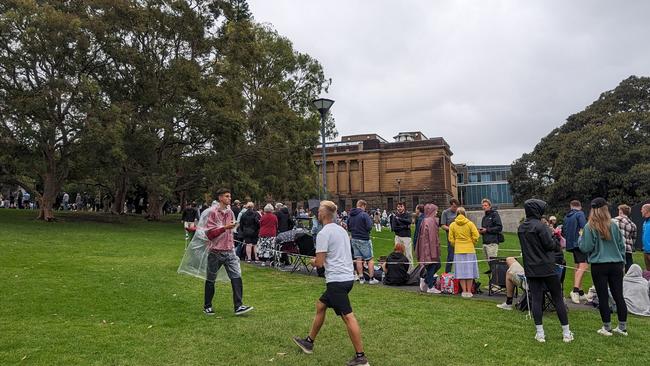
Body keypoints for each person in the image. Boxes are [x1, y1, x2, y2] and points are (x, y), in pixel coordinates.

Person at [293, 200, 369, 366]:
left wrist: (313, 261)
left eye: (318, 211)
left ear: (323, 215)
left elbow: (319, 263)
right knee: (321, 305)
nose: (317, 214)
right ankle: (309, 342)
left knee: (348, 317)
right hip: (347, 277)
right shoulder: (341, 230)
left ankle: (361, 358)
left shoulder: (323, 233)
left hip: (337, 281)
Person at [519, 199, 573, 343]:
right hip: (547, 267)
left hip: (531, 268)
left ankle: (540, 333)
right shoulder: (541, 227)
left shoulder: (522, 227)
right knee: (557, 298)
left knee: (536, 299)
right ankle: (566, 333)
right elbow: (550, 246)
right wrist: (555, 240)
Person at [579, 198, 628, 336]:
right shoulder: (613, 225)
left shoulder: (590, 227)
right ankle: (622, 327)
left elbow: (586, 247)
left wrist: (580, 239)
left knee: (603, 296)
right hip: (616, 264)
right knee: (619, 295)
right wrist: (622, 261)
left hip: (599, 265)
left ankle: (607, 327)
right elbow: (621, 246)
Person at [203, 188, 253, 316]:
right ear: (220, 198)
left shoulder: (230, 212)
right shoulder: (213, 213)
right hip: (215, 251)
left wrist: (231, 228)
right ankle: (207, 306)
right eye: (226, 196)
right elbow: (209, 234)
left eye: (230, 196)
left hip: (229, 250)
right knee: (211, 279)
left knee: (236, 276)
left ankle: (238, 306)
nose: (229, 198)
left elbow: (231, 228)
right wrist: (224, 228)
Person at [449, 207, 480, 298]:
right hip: (469, 249)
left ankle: (464, 291)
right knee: (469, 270)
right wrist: (472, 242)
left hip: (458, 249)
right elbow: (476, 235)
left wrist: (456, 244)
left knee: (461, 271)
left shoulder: (452, 225)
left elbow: (451, 238)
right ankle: (469, 291)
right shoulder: (470, 224)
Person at [562, 200, 588, 304]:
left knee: (577, 266)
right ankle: (575, 290)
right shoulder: (580, 214)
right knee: (584, 266)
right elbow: (584, 227)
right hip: (580, 243)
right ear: (580, 206)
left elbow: (564, 230)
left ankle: (580, 292)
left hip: (571, 244)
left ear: (571, 206)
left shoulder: (566, 217)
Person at [348, 200, 378, 284]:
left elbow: (348, 227)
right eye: (365, 207)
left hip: (354, 238)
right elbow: (369, 226)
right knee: (370, 259)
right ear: (362, 206)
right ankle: (371, 278)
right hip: (364, 239)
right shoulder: (364, 215)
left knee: (358, 258)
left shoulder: (350, 215)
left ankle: (361, 278)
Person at [416, 203, 442, 294]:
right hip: (429, 248)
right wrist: (429, 250)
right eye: (435, 211)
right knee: (432, 265)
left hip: (431, 247)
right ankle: (430, 286)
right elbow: (428, 237)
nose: (436, 212)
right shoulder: (428, 221)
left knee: (437, 265)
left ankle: (426, 280)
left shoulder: (430, 221)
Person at [613, 204, 637, 272]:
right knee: (629, 268)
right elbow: (634, 238)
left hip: (617, 248)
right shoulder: (633, 224)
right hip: (628, 249)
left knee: (617, 269)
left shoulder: (613, 221)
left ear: (621, 211)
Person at [440, 199, 460, 273]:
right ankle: (447, 274)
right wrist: (451, 229)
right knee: (450, 257)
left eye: (457, 207)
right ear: (451, 205)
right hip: (451, 239)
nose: (455, 208)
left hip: (460, 238)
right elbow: (442, 225)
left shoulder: (459, 212)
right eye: (454, 207)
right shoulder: (445, 213)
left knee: (460, 257)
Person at [642, 204, 650, 271]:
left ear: (647, 211)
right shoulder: (645, 222)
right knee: (648, 271)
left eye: (642, 209)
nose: (641, 211)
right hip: (645, 251)